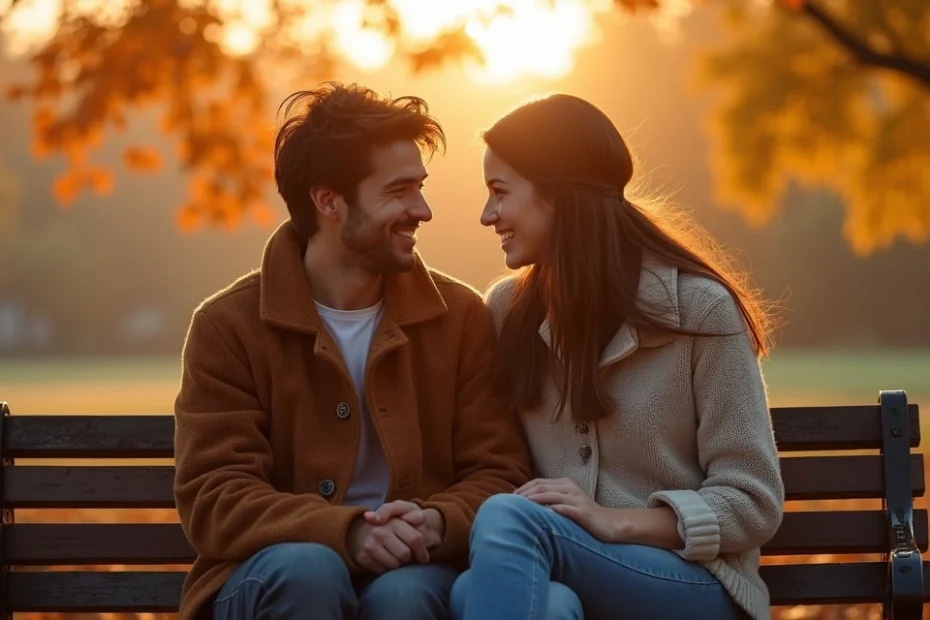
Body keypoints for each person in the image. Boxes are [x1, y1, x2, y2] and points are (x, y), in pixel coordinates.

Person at [172, 82, 532, 620]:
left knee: (405, 596)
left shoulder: (459, 319)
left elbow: (499, 471)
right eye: (399, 191)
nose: (423, 210)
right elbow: (215, 495)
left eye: (420, 188)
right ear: (328, 200)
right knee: (310, 572)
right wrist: (346, 533)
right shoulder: (228, 327)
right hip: (268, 577)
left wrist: (437, 523)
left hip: (417, 566)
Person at [450, 94, 786, 620]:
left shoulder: (699, 309)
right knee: (538, 604)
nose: (487, 214)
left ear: (557, 196)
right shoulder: (504, 311)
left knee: (510, 523)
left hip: (693, 585)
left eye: (500, 192)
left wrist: (614, 521)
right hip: (561, 575)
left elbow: (753, 499)